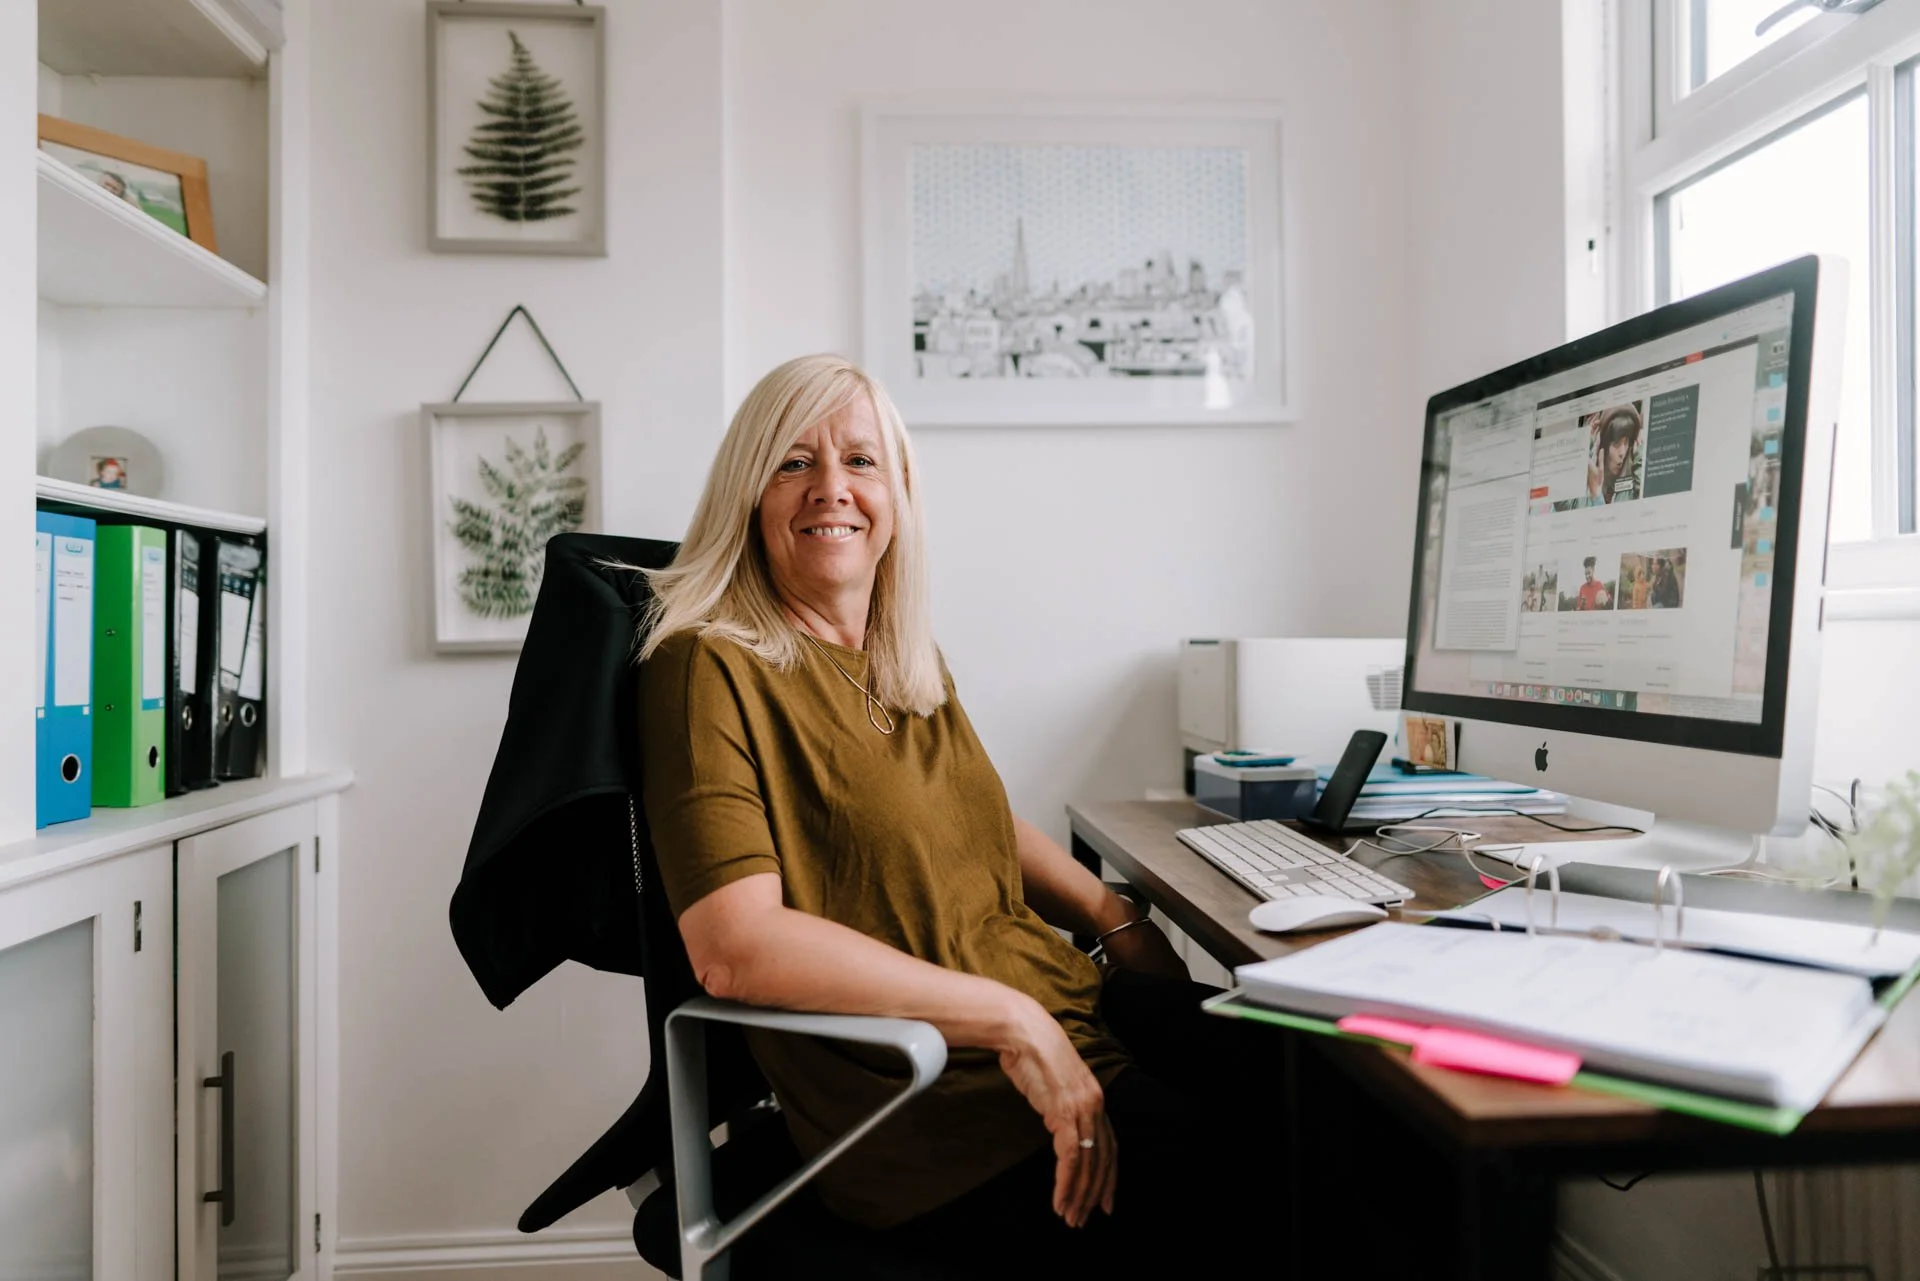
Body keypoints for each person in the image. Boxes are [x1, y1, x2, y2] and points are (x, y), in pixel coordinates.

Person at [635, 354, 1263, 1274]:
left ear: (898, 493)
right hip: (941, 1107)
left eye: (860, 461)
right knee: (1293, 1177)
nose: (831, 489)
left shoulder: (902, 657)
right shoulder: (707, 668)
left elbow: (972, 818)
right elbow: (736, 946)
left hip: (1069, 1013)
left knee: (1349, 1081)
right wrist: (1015, 1020)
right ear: (747, 492)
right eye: (793, 462)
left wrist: (1108, 912)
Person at [1586, 406, 1643, 505]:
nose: (1622, 453)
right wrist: (1585, 447)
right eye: (1616, 443)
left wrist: (1639, 461)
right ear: (1604, 444)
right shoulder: (1589, 477)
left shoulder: (1634, 479)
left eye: (1626, 443)